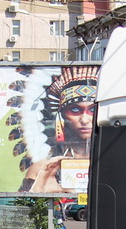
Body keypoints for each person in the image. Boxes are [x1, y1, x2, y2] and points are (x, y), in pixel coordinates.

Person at [19, 66, 98, 194]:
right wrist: (40, 189)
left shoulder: (116, 160)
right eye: (75, 110)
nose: (85, 119)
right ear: (62, 114)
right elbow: (23, 208)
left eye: (92, 110)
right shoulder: (43, 167)